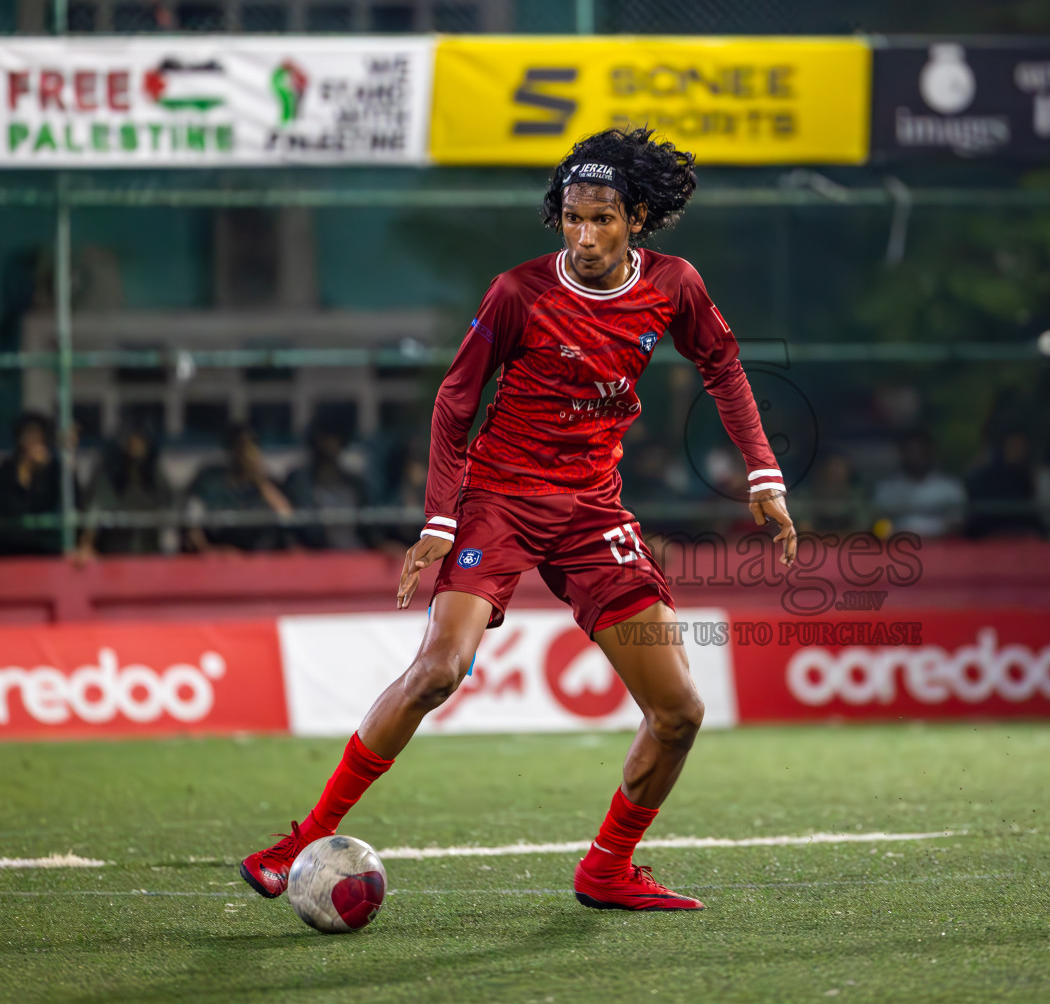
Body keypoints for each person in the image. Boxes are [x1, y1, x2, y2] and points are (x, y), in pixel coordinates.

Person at [238, 128, 796, 911]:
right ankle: (302, 839)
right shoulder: (519, 292)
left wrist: (763, 471)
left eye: (603, 218)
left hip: (593, 510)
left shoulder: (674, 285)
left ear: (636, 217)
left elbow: (724, 368)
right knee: (437, 671)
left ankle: (606, 868)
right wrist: (439, 521)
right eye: (572, 217)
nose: (586, 234)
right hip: (499, 501)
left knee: (679, 711)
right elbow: (454, 401)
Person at [185, 424, 293, 553]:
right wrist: (210, 552)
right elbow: (192, 523)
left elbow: (287, 517)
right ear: (231, 450)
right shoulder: (209, 481)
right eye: (241, 447)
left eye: (252, 448)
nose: (246, 454)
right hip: (218, 557)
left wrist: (259, 479)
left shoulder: (267, 484)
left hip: (257, 559)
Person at [78, 425, 175, 557]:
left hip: (147, 552)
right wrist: (86, 545)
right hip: (114, 552)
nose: (135, 449)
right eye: (131, 444)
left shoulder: (155, 476)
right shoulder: (109, 476)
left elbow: (173, 506)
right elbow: (94, 512)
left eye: (139, 444)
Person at [285, 424, 367, 550]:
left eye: (334, 439)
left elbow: (368, 527)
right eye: (324, 439)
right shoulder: (300, 484)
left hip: (354, 554)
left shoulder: (356, 484)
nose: (329, 445)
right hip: (320, 556)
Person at [872, 429, 966, 537]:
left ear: (931, 451)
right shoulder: (887, 488)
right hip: (897, 547)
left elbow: (958, 523)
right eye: (911, 451)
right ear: (902, 453)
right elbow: (878, 523)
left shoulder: (951, 487)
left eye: (921, 450)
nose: (915, 456)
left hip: (941, 547)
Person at [0, 412, 66, 556]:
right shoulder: (8, 468)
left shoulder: (54, 469)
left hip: (45, 545)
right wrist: (26, 470)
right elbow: (9, 506)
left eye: (36, 434)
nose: (31, 440)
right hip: (11, 545)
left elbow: (58, 501)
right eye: (27, 434)